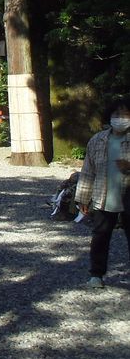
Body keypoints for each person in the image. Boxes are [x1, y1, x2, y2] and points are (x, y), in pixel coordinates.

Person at [74, 97, 130, 288]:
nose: (120, 118)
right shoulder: (98, 140)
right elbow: (88, 170)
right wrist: (82, 197)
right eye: (116, 114)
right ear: (110, 117)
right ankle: (96, 274)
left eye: (125, 114)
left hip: (128, 195)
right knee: (100, 236)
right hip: (104, 195)